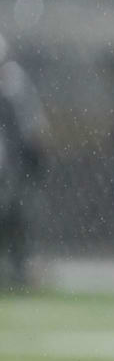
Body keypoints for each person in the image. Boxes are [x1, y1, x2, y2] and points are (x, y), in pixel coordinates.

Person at [0, 33, 47, 291]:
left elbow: (32, 128)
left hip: (12, 170)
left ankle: (18, 271)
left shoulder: (15, 84)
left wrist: (32, 164)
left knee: (15, 217)